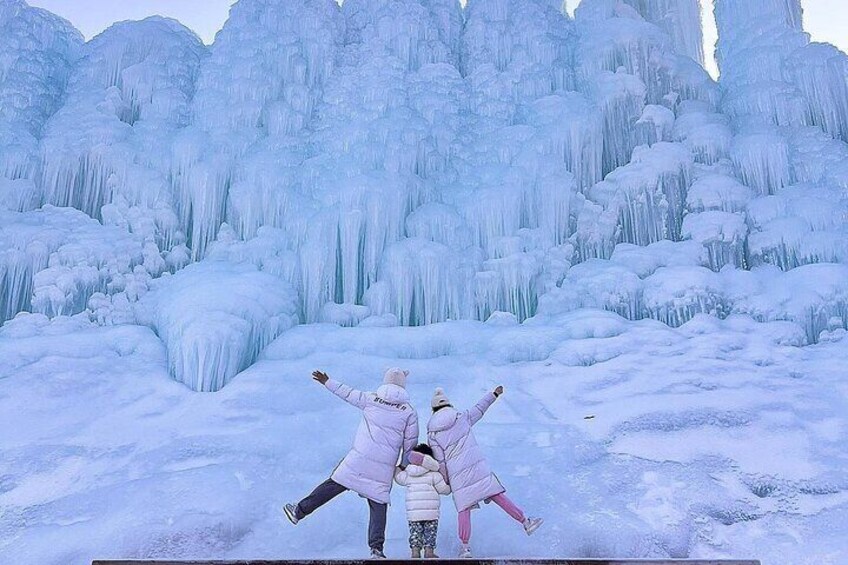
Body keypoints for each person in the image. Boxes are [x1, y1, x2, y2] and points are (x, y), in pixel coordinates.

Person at [284, 368, 418, 559]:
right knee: (378, 503)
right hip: (384, 466)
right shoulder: (408, 411)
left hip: (360, 458)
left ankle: (299, 511)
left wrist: (327, 382)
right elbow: (410, 443)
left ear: (385, 382)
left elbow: (347, 393)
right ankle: (376, 550)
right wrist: (403, 465)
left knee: (334, 484)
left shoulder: (371, 399)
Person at [426, 385, 543, 558]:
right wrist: (493, 394)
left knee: (464, 509)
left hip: (458, 476)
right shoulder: (461, 418)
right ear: (448, 405)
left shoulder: (433, 433)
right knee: (497, 496)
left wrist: (447, 480)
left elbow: (441, 461)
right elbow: (480, 408)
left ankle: (465, 548)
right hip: (477, 468)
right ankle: (526, 522)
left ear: (433, 409)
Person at [394, 443, 451, 559]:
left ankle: (415, 552)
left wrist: (398, 468)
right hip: (431, 513)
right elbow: (444, 490)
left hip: (414, 513)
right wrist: (449, 483)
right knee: (430, 533)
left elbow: (398, 478)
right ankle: (429, 552)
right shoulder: (434, 474)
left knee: (415, 533)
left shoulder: (409, 473)